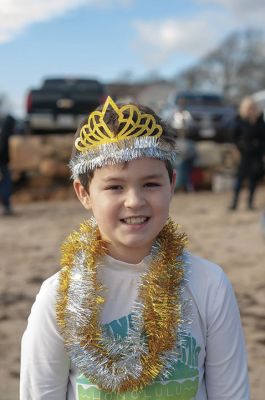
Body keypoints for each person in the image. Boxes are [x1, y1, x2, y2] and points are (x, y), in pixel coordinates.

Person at [20, 97, 249, 400]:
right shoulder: (58, 297)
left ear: (172, 184)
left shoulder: (209, 285)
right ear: (84, 193)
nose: (134, 201)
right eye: (115, 186)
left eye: (151, 184)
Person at [229, 97, 265, 210]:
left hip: (257, 155)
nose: (251, 110)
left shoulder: (260, 122)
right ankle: (234, 204)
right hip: (243, 154)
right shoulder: (240, 121)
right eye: (249, 108)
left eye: (253, 108)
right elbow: (234, 138)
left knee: (253, 180)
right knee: (239, 180)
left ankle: (250, 204)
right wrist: (237, 150)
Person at [0, 114, 16, 215]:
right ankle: (6, 207)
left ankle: (7, 206)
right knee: (5, 185)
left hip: (3, 164)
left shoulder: (4, 134)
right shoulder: (4, 135)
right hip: (2, 164)